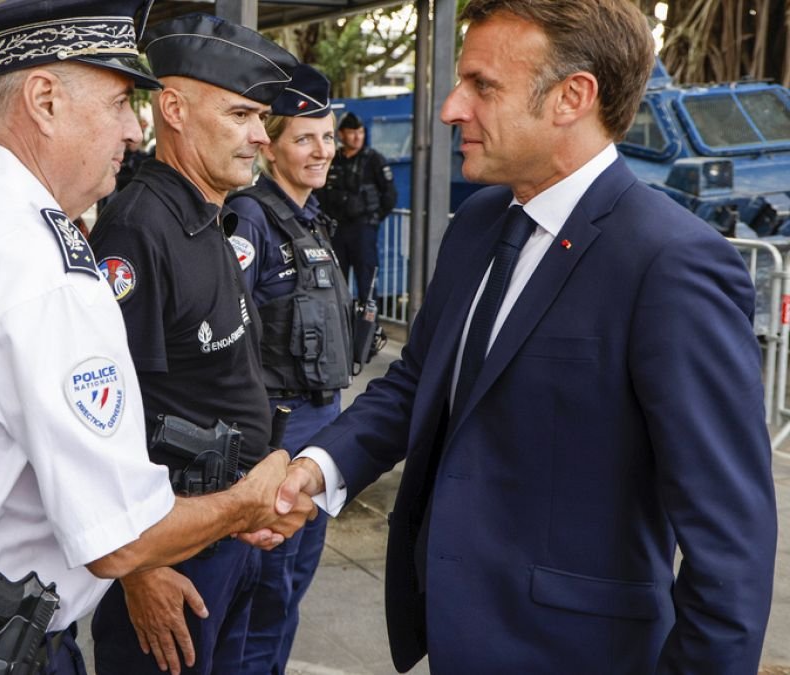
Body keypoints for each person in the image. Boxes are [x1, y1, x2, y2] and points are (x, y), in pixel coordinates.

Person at [264, 0, 779, 673]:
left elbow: (731, 549)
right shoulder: (479, 223)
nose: (451, 108)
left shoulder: (670, 262)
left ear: (573, 97)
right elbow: (419, 384)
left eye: (482, 85)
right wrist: (318, 468)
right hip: (454, 643)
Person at [0, 2, 313, 674]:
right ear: (45, 100)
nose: (132, 128)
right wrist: (247, 499)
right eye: (121, 100)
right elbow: (119, 541)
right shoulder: (42, 271)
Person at [87, 13, 299, 675]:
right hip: (170, 554)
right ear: (172, 109)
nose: (261, 136)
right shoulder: (138, 228)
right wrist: (138, 569)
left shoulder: (211, 212)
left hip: (226, 527)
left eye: (261, 117)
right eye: (241, 115)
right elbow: (105, 417)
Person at [224, 64, 351, 675]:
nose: (321, 151)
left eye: (327, 137)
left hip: (321, 425)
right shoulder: (251, 217)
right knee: (264, 592)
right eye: (304, 138)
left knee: (291, 588)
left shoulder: (311, 219)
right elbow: (231, 336)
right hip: (280, 429)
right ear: (270, 143)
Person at [316, 111, 397, 301]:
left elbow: (390, 195)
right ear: (341, 135)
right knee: (336, 283)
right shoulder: (333, 159)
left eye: (360, 132)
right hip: (337, 230)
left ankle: (367, 329)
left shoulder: (373, 159)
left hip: (362, 230)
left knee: (367, 284)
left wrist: (373, 221)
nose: (357, 137)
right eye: (352, 132)